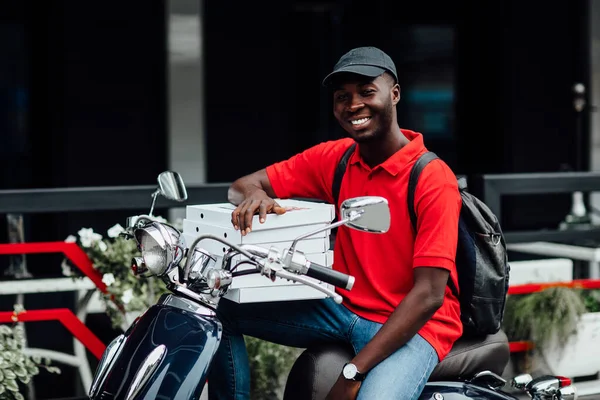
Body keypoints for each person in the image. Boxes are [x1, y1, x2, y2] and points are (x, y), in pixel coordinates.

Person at [207, 46, 463, 400]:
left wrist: (353, 372)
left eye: (367, 92)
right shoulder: (337, 158)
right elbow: (240, 186)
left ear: (395, 94)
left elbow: (429, 295)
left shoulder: (432, 178)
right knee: (218, 310)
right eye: (343, 96)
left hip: (414, 325)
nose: (353, 104)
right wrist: (257, 195)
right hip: (342, 310)